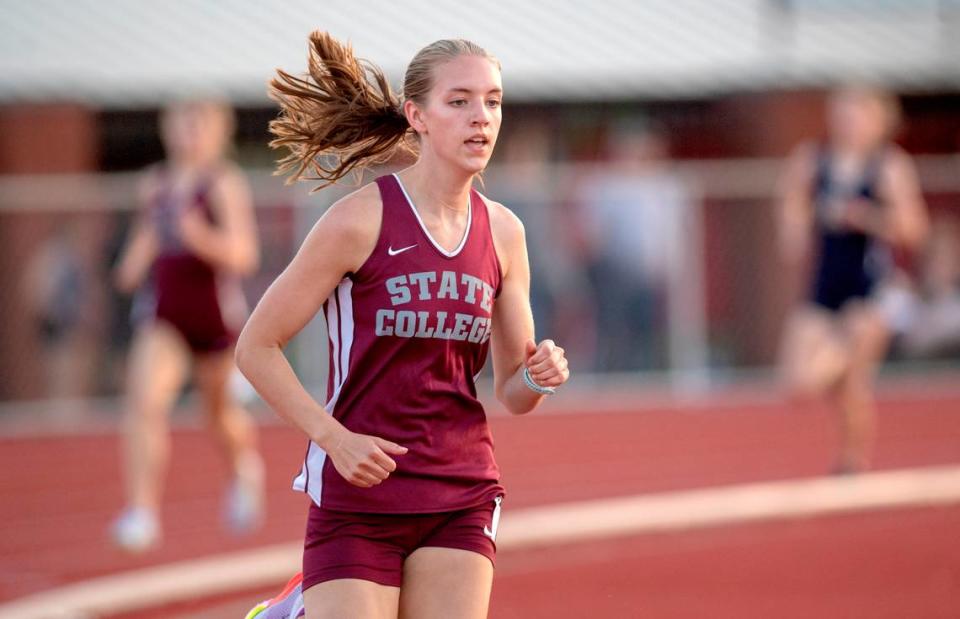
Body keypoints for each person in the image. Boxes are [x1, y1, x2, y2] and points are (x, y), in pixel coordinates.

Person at [235, 32, 569, 619]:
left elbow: (513, 392)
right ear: (416, 115)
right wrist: (333, 439)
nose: (481, 119)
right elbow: (256, 347)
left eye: (492, 101)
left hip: (459, 491)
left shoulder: (505, 233)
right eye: (459, 101)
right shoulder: (357, 221)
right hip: (358, 494)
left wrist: (539, 376)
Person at [110, 99, 265, 551]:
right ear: (166, 128)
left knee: (217, 415)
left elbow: (244, 255)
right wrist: (136, 258)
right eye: (182, 122)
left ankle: (243, 469)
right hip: (165, 315)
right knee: (144, 402)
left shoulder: (223, 183)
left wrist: (200, 238)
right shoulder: (154, 183)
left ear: (219, 133)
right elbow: (140, 249)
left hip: (213, 314)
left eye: (200, 124)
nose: (189, 132)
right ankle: (141, 510)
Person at [777, 86, 929, 474]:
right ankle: (851, 449)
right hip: (825, 286)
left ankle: (851, 462)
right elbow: (792, 206)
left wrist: (865, 217)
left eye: (858, 115)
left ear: (879, 121)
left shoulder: (889, 166)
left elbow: (915, 230)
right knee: (802, 381)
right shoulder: (812, 160)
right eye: (843, 115)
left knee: (852, 380)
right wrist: (794, 228)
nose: (849, 123)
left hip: (873, 289)